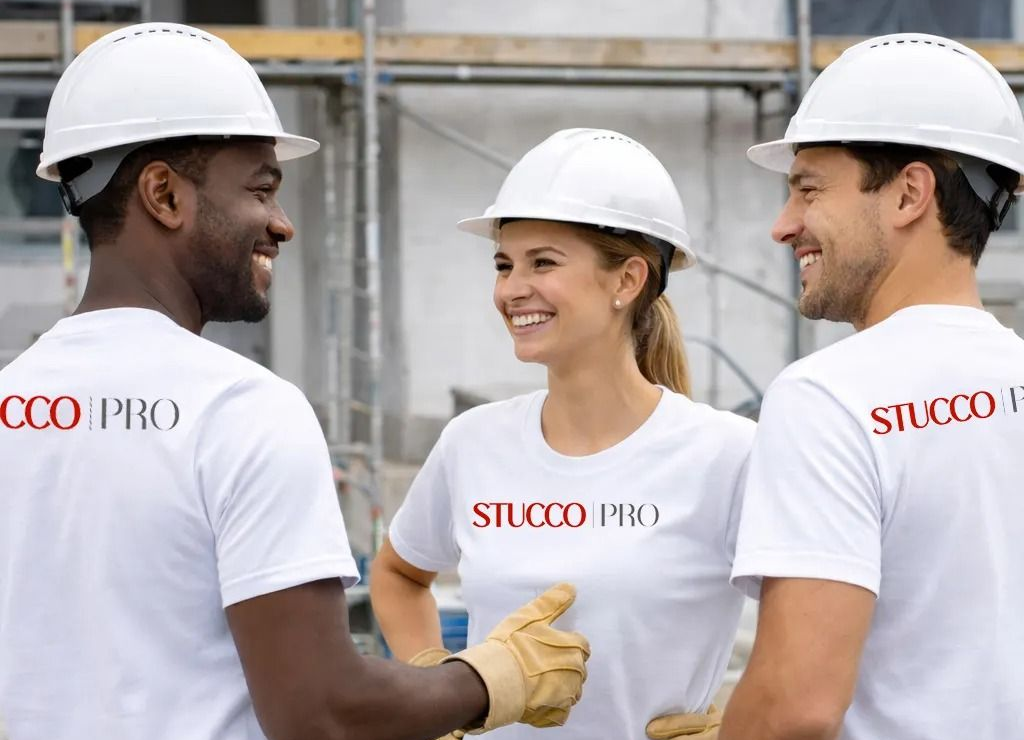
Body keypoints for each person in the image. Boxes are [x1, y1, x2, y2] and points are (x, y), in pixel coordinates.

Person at [0, 23, 590, 740]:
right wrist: (494, 677)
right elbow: (320, 711)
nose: (282, 224)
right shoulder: (241, 410)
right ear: (164, 194)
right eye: (262, 188)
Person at [370, 128, 755, 740]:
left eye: (542, 262)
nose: (511, 289)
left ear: (627, 281)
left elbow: (826, 622)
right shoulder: (473, 443)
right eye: (504, 264)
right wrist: (437, 689)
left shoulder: (728, 455)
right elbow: (395, 576)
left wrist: (746, 729)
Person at [720, 33, 1024, 740]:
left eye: (808, 189)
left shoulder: (829, 398)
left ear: (909, 194)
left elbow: (797, 704)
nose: (783, 225)